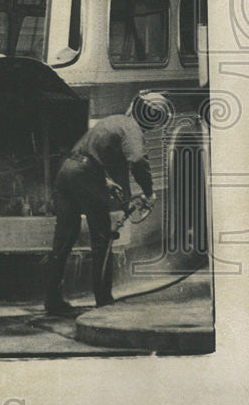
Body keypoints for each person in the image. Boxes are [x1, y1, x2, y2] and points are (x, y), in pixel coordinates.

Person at [43, 94, 163, 315]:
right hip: (87, 176)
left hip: (67, 172)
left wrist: (106, 182)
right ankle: (103, 301)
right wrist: (149, 193)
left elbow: (89, 154)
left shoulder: (113, 121)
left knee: (63, 240)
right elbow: (136, 160)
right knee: (102, 240)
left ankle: (52, 300)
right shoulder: (132, 129)